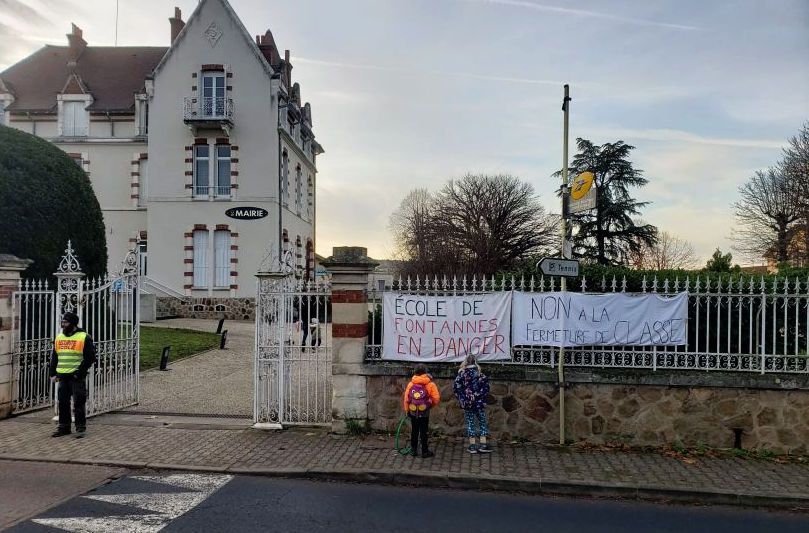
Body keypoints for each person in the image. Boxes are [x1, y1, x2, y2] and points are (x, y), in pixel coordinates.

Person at [49, 312, 97, 438]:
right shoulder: (59, 337)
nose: (63, 325)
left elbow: (90, 358)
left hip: (76, 377)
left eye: (66, 322)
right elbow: (55, 356)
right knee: (63, 403)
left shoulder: (84, 337)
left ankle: (80, 428)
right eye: (62, 322)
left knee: (78, 403)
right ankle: (64, 427)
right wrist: (52, 373)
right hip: (62, 376)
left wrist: (79, 373)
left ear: (73, 324)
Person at [453, 354, 492, 454]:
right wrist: (480, 397)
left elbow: (457, 389)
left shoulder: (461, 375)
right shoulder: (480, 375)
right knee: (482, 422)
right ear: (475, 362)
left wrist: (463, 399)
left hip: (467, 404)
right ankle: (483, 444)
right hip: (479, 404)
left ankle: (472, 446)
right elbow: (486, 389)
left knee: (470, 424)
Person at [403, 364, 440, 458]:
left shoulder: (411, 383)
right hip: (424, 412)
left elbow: (406, 398)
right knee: (424, 431)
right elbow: (436, 398)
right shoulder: (430, 384)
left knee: (414, 430)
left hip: (413, 411)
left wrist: (407, 410)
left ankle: (413, 450)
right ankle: (424, 451)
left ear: (415, 372)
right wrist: (429, 406)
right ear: (425, 372)